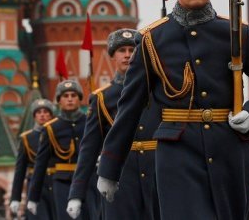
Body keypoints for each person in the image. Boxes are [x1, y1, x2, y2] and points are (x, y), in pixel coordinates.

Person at [97, 0, 249, 219]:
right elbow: (130, 107)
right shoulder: (152, 39)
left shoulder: (236, 32)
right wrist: (110, 169)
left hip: (230, 150)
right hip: (177, 154)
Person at [67, 28, 161, 219]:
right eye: (121, 51)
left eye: (132, 49)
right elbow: (89, 148)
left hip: (157, 171)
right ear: (113, 56)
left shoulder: (158, 89)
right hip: (120, 175)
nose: (127, 55)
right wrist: (76, 194)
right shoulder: (102, 98)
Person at [27, 80, 87, 219]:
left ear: (79, 99)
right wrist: (33, 197)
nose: (70, 99)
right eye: (65, 96)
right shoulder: (51, 128)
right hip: (63, 183)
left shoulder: (89, 122)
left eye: (73, 95)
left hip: (89, 180)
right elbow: (40, 164)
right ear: (59, 100)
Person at [9, 97, 55, 219]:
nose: (42, 115)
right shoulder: (27, 138)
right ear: (34, 116)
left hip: (56, 182)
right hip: (35, 186)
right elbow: (20, 171)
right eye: (39, 112)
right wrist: (15, 197)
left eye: (46, 112)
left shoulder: (58, 134)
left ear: (51, 115)